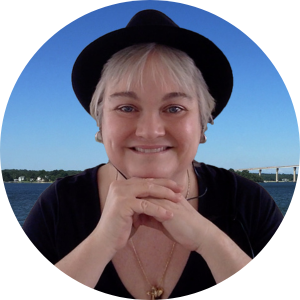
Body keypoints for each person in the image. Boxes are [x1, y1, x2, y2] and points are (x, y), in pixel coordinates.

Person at [23, 10, 283, 299]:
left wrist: (210, 241)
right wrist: (99, 245)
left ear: (201, 124)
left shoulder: (249, 203)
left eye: (174, 108)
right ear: (100, 121)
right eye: (126, 108)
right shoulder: (58, 207)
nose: (149, 131)